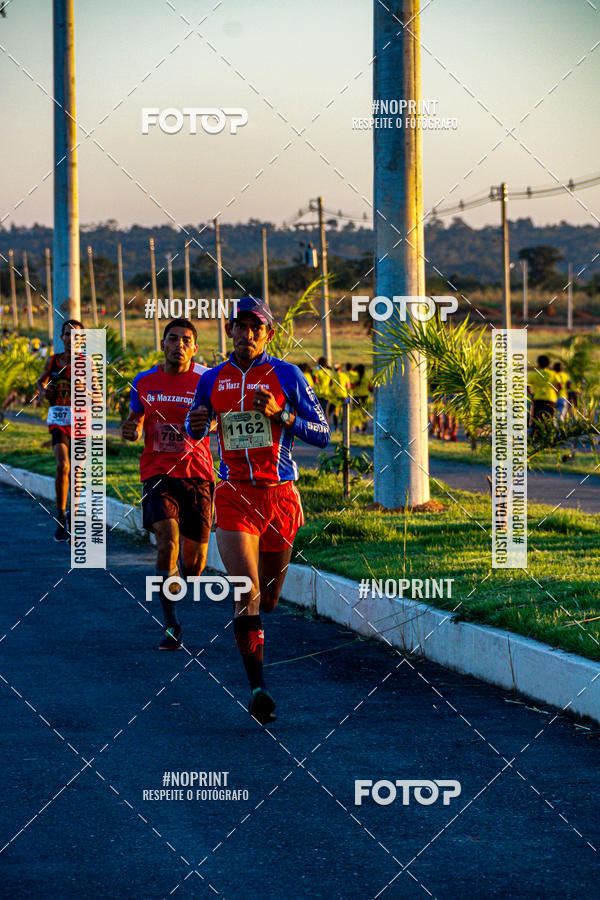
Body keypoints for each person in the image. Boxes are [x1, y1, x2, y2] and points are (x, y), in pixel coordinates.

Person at [185, 296, 330, 724]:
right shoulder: (212, 378)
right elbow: (199, 423)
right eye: (239, 326)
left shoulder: (287, 374)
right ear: (229, 330)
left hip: (279, 495)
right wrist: (197, 425)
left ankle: (257, 647)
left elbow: (322, 434)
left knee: (268, 599)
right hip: (233, 494)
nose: (246, 335)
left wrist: (281, 414)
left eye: (255, 328)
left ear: (268, 333)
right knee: (244, 592)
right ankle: (258, 689)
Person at [122, 318, 215, 650]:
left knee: (194, 565)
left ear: (194, 347)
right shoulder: (145, 381)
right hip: (158, 472)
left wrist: (210, 425)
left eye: (186, 340)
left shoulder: (206, 379)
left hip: (198, 474)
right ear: (163, 344)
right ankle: (171, 624)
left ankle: (180, 576)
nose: (179, 345)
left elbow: (218, 420)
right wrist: (131, 429)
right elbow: (135, 418)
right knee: (166, 543)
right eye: (173, 338)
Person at [36, 319, 83, 542]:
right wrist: (45, 392)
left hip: (80, 423)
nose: (71, 338)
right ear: (62, 337)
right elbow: (40, 383)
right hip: (58, 420)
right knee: (63, 465)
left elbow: (98, 395)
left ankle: (72, 517)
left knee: (76, 472)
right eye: (67, 334)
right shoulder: (53, 361)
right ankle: (61, 515)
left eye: (76, 335)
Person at [527, 354, 558, 429]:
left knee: (537, 420)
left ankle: (536, 437)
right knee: (549, 419)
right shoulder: (553, 374)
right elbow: (559, 385)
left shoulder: (534, 374)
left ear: (539, 363)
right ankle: (549, 437)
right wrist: (554, 392)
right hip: (550, 399)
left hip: (538, 399)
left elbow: (526, 385)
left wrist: (530, 392)